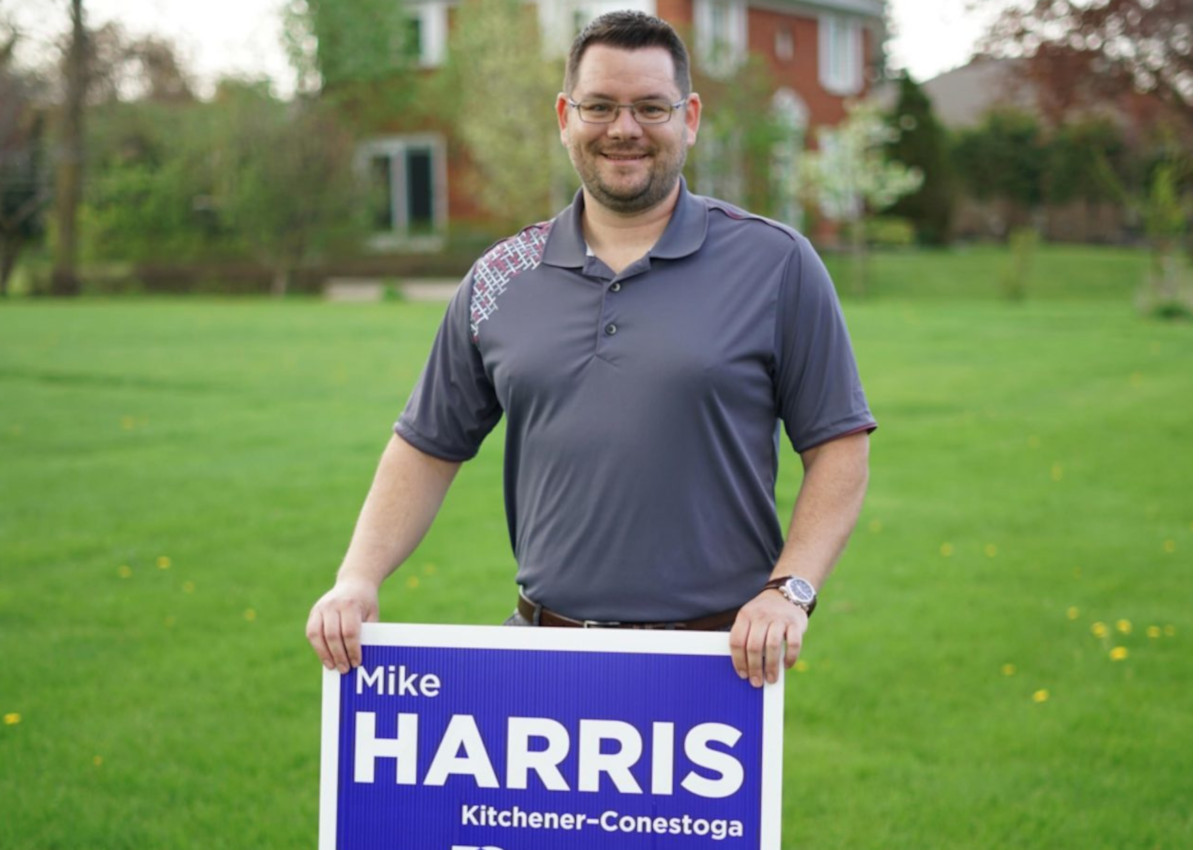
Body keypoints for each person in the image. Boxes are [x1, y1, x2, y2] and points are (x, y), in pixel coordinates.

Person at [306, 10, 875, 690]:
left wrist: (791, 590)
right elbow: (426, 445)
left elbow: (839, 444)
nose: (624, 129)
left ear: (689, 117)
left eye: (650, 108)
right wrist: (357, 577)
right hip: (542, 654)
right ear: (565, 117)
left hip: (718, 665)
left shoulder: (776, 264)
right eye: (599, 106)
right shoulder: (498, 278)